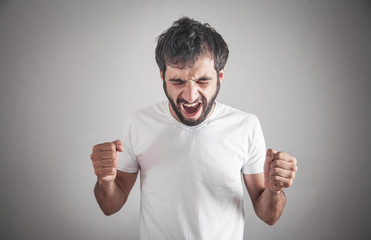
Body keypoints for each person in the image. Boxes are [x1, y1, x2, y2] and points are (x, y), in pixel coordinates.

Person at [90, 17, 297, 240]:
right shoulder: (137, 123)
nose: (190, 96)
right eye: (177, 82)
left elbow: (269, 216)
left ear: (220, 76)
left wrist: (274, 190)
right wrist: (105, 181)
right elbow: (110, 206)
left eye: (203, 81)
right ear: (162, 76)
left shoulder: (246, 126)